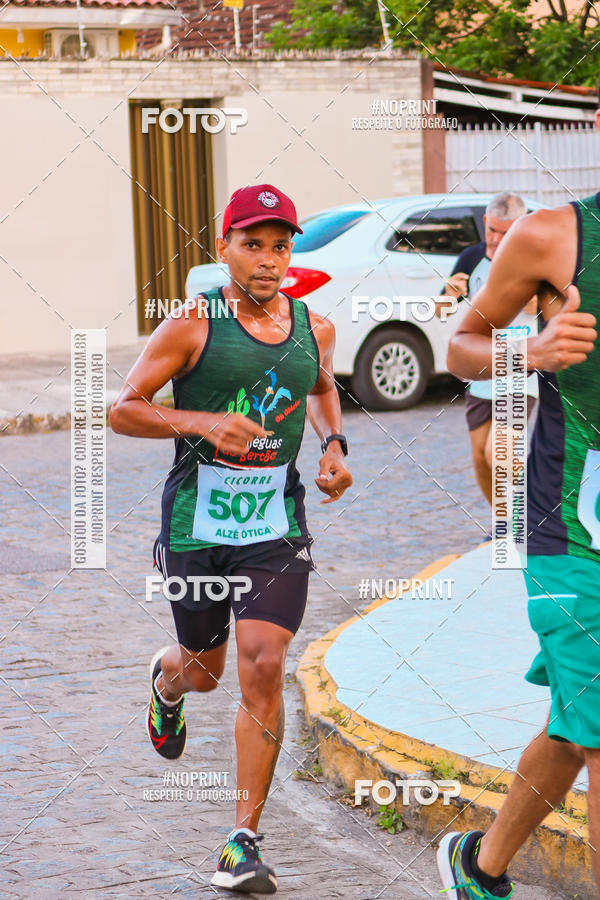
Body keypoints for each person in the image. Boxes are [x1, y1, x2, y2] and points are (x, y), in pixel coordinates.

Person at [109, 183, 352, 895]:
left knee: (264, 663)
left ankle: (241, 841)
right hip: (197, 526)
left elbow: (319, 387)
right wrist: (203, 423)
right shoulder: (192, 326)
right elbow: (123, 410)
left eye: (280, 246)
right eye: (253, 245)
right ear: (225, 249)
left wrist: (333, 444)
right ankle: (168, 681)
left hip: (275, 526)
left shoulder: (314, 327)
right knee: (205, 670)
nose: (268, 259)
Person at [438, 98, 600, 897]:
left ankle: (481, 866)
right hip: (573, 528)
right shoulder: (552, 237)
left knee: (574, 727)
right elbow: (461, 347)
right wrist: (530, 352)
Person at [438, 192, 538, 506]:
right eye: (492, 230)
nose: (496, 239)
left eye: (505, 233)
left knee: (500, 453)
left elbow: (558, 306)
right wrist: (448, 295)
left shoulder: (536, 259)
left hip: (520, 368)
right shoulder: (471, 258)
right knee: (481, 458)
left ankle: (534, 509)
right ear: (485, 221)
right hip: (481, 372)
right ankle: (504, 519)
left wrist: (538, 303)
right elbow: (440, 310)